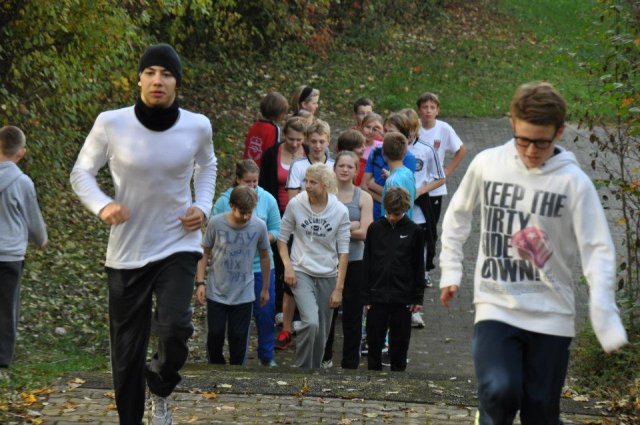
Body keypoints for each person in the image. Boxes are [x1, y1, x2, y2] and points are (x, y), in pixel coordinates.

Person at [439, 82, 628, 425]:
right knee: (500, 390)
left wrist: (604, 315)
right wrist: (451, 271)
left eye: (542, 142)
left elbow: (598, 248)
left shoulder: (574, 183)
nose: (530, 151)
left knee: (541, 411)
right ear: (512, 124)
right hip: (497, 305)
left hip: (551, 313)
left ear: (560, 132)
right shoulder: (487, 164)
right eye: (523, 139)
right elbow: (456, 218)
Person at [70, 43, 217, 425]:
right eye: (150, 72)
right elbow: (81, 173)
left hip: (178, 243)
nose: (157, 80)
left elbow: (208, 166)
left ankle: (161, 383)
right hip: (127, 250)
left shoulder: (197, 126)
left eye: (166, 74)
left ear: (177, 84)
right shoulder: (111, 122)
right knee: (126, 351)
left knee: (175, 328)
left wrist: (201, 205)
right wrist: (103, 205)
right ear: (138, 79)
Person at [277, 163, 351, 369]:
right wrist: (288, 266)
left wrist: (339, 288)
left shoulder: (340, 211)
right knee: (310, 322)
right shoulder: (296, 204)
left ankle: (315, 372)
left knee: (322, 333)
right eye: (306, 181)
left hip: (328, 274)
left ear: (325, 185)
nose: (307, 186)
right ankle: (300, 370)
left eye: (312, 182)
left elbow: (344, 252)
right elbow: (282, 240)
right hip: (301, 271)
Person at [212, 160, 281, 367]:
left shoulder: (267, 199)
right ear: (237, 180)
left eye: (255, 182)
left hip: (261, 267)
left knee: (265, 313)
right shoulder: (224, 202)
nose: (252, 186)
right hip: (233, 269)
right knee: (236, 321)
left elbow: (277, 229)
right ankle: (237, 360)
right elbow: (214, 233)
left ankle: (267, 356)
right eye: (247, 182)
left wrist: (260, 238)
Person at [196, 186, 271, 366]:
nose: (246, 217)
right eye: (242, 212)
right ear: (231, 205)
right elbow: (204, 252)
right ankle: (216, 369)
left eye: (249, 212)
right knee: (215, 334)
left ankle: (236, 374)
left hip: (243, 292)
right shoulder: (216, 223)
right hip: (217, 290)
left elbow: (264, 255)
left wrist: (265, 288)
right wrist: (200, 283)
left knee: (238, 338)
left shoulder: (259, 225)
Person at [0, 126, 48, 376]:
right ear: (22, 152)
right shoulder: (22, 182)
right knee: (7, 308)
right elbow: (33, 218)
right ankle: (2, 362)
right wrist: (41, 240)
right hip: (10, 255)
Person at [362, 187, 424, 371]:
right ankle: (373, 381)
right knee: (374, 342)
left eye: (395, 214)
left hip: (402, 297)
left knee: (400, 345)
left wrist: (417, 297)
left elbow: (417, 266)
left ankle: (398, 382)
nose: (391, 217)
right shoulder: (375, 229)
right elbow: (367, 262)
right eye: (388, 213)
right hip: (377, 296)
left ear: (404, 210)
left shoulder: (415, 231)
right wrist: (366, 296)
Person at [321, 151, 373, 369]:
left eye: (349, 166)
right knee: (327, 312)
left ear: (356, 170)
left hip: (355, 261)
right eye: (341, 165)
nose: (344, 170)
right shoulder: (325, 195)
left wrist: (338, 228)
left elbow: (365, 233)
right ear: (334, 169)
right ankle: (324, 357)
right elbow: (321, 231)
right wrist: (351, 224)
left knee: (353, 312)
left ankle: (350, 362)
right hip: (327, 261)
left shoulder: (364, 197)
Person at [259, 116, 307, 339]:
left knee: (300, 261)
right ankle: (279, 307)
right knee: (280, 260)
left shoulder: (307, 152)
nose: (295, 144)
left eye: (299, 140)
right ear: (284, 135)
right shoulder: (272, 154)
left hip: (304, 216)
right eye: (291, 139)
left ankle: (297, 309)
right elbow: (264, 184)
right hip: (278, 213)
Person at [417, 92, 466, 226]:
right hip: (416, 184)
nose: (428, 110)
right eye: (424, 107)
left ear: (437, 110)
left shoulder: (444, 128)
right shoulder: (414, 127)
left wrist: (447, 171)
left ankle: (430, 246)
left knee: (431, 224)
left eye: (432, 107)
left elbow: (461, 150)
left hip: (434, 186)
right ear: (418, 110)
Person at [243, 92, 289, 166]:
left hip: (247, 166)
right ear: (279, 113)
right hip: (263, 169)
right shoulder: (274, 129)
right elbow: (274, 151)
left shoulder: (255, 125)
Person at [380, 132, 416, 220]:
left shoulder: (391, 182)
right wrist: (390, 175)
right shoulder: (408, 173)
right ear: (405, 153)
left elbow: (394, 213)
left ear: (383, 153)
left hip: (394, 230)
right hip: (408, 225)